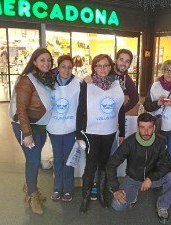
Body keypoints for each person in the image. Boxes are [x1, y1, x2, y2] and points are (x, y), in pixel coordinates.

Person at [85, 49, 139, 200]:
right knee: (95, 158)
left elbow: (134, 99)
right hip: (95, 127)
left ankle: (106, 184)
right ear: (115, 60)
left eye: (127, 61)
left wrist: (119, 111)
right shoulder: (103, 73)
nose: (124, 63)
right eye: (121, 59)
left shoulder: (127, 80)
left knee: (110, 158)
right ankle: (95, 185)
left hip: (112, 127)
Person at [107, 113, 171, 225]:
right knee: (117, 206)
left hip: (152, 179)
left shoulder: (160, 141)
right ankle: (134, 193)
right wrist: (115, 189)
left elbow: (167, 164)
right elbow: (111, 164)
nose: (146, 131)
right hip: (133, 179)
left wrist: (150, 178)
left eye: (149, 127)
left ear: (154, 128)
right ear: (137, 128)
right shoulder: (129, 142)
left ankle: (163, 206)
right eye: (142, 127)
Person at [76, 54, 125, 213]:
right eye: (99, 65)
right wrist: (78, 133)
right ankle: (85, 196)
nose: (103, 69)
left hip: (109, 131)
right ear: (94, 68)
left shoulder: (116, 85)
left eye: (106, 65)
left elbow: (120, 109)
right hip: (91, 131)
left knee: (105, 164)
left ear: (111, 67)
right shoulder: (87, 84)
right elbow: (80, 109)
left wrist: (122, 132)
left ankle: (103, 195)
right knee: (91, 164)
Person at [9, 48, 55, 214]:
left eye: (49, 60)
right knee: (35, 160)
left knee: (32, 159)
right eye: (42, 60)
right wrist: (27, 134)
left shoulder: (45, 79)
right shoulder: (27, 81)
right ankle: (32, 195)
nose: (46, 63)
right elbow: (20, 109)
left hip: (40, 127)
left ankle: (29, 184)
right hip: (26, 127)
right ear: (34, 62)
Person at [46, 55, 80, 202]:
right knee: (58, 158)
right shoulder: (49, 82)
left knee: (69, 160)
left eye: (69, 67)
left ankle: (68, 189)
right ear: (57, 67)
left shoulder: (78, 83)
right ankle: (57, 187)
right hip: (54, 128)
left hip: (71, 129)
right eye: (63, 66)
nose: (66, 70)